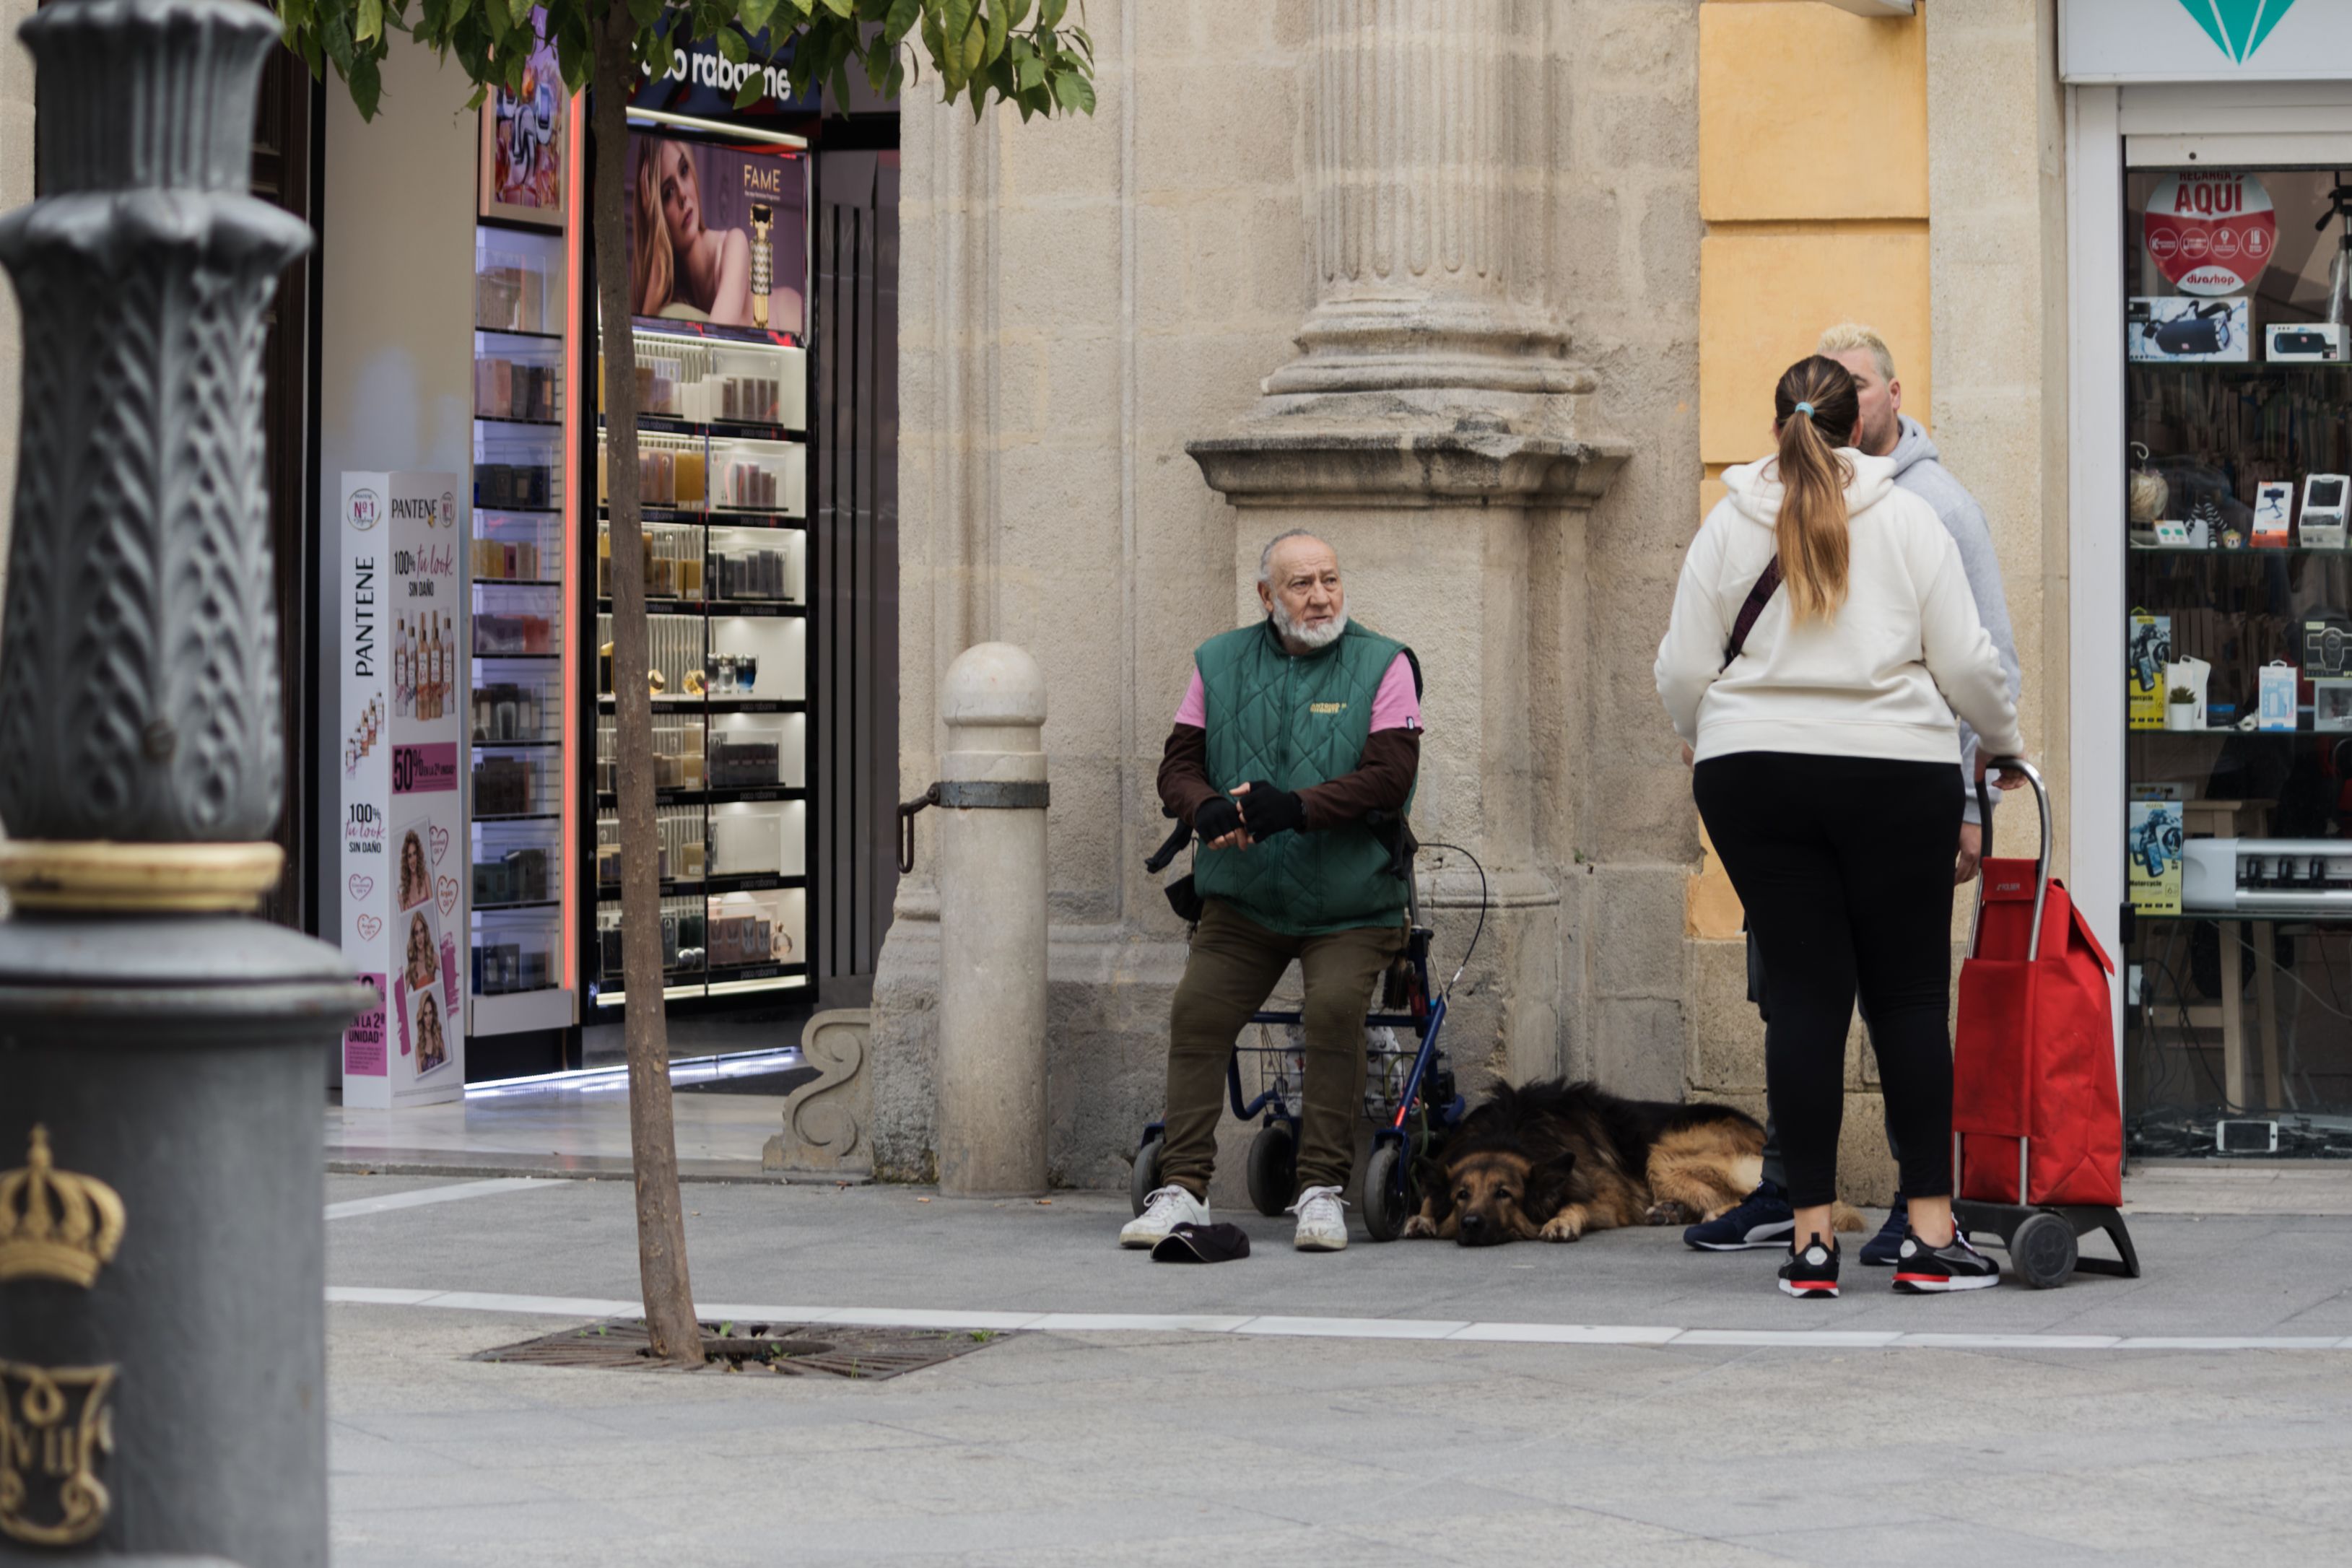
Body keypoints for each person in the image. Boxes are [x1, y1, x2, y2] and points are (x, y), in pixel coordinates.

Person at [1655, 355, 2026, 1299]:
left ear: (1775, 417)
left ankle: (1809, 1242)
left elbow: (1678, 668)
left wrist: (1710, 734)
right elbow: (1968, 660)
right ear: (1861, 420)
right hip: (1893, 770)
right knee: (1904, 997)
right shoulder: (1905, 516)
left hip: (1753, 774)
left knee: (1805, 996)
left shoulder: (1727, 519)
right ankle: (1929, 1235)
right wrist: (2001, 743)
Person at [1122, 531, 1421, 1254]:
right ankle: (1184, 1188)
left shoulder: (1385, 663)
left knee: (1334, 1007)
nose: (1320, 597)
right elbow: (1178, 766)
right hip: (1246, 903)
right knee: (1196, 1012)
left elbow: (1390, 777)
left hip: (1351, 907)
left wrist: (1300, 807)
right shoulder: (1217, 662)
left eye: (1330, 580)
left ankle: (1321, 1189)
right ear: (1266, 595)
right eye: (1300, 584)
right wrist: (1205, 808)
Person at [632, 138, 754, 325]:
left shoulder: (734, 245)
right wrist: (655, 232)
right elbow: (643, 344)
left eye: (684, 170)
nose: (682, 195)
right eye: (668, 193)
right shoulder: (671, 293)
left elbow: (714, 347)